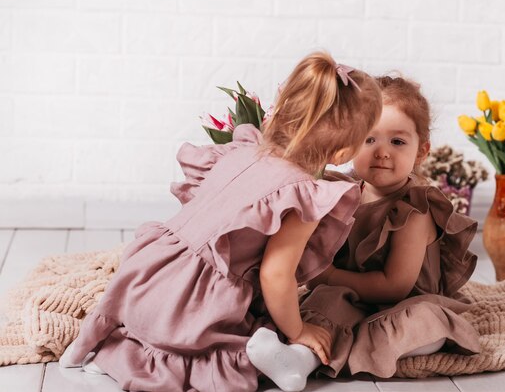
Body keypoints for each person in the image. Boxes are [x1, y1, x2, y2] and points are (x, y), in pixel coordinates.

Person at [58, 52, 383, 392]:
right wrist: (298, 330)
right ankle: (263, 355)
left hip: (142, 283)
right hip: (190, 309)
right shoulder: (302, 194)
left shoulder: (242, 151)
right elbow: (276, 276)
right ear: (343, 152)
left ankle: (108, 353)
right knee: (235, 341)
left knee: (154, 329)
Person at [300, 75, 481, 378]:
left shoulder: (414, 211)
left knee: (425, 324)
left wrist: (329, 276)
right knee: (319, 305)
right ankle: (297, 358)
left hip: (402, 303)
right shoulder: (341, 193)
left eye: (397, 141)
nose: (382, 151)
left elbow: (395, 285)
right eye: (368, 139)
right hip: (353, 297)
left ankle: (328, 352)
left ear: (422, 151)